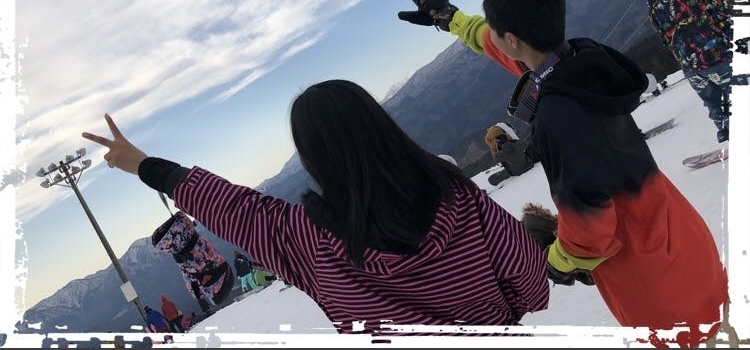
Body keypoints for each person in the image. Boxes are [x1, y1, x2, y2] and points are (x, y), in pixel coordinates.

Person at [397, 0, 727, 345]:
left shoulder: (557, 118)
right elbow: (499, 44)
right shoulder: (580, 63)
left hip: (654, 284)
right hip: (683, 241)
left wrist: (555, 261)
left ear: (513, 39)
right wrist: (450, 17)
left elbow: (591, 229)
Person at [82, 82, 550, 335]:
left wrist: (144, 165)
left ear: (313, 159)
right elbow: (531, 286)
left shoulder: (308, 241)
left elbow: (231, 206)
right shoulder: (462, 200)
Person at [647, 0, 734, 143]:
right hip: (718, 54)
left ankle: (726, 131)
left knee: (714, 105)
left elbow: (664, 37)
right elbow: (721, 10)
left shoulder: (652, 0)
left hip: (690, 66)